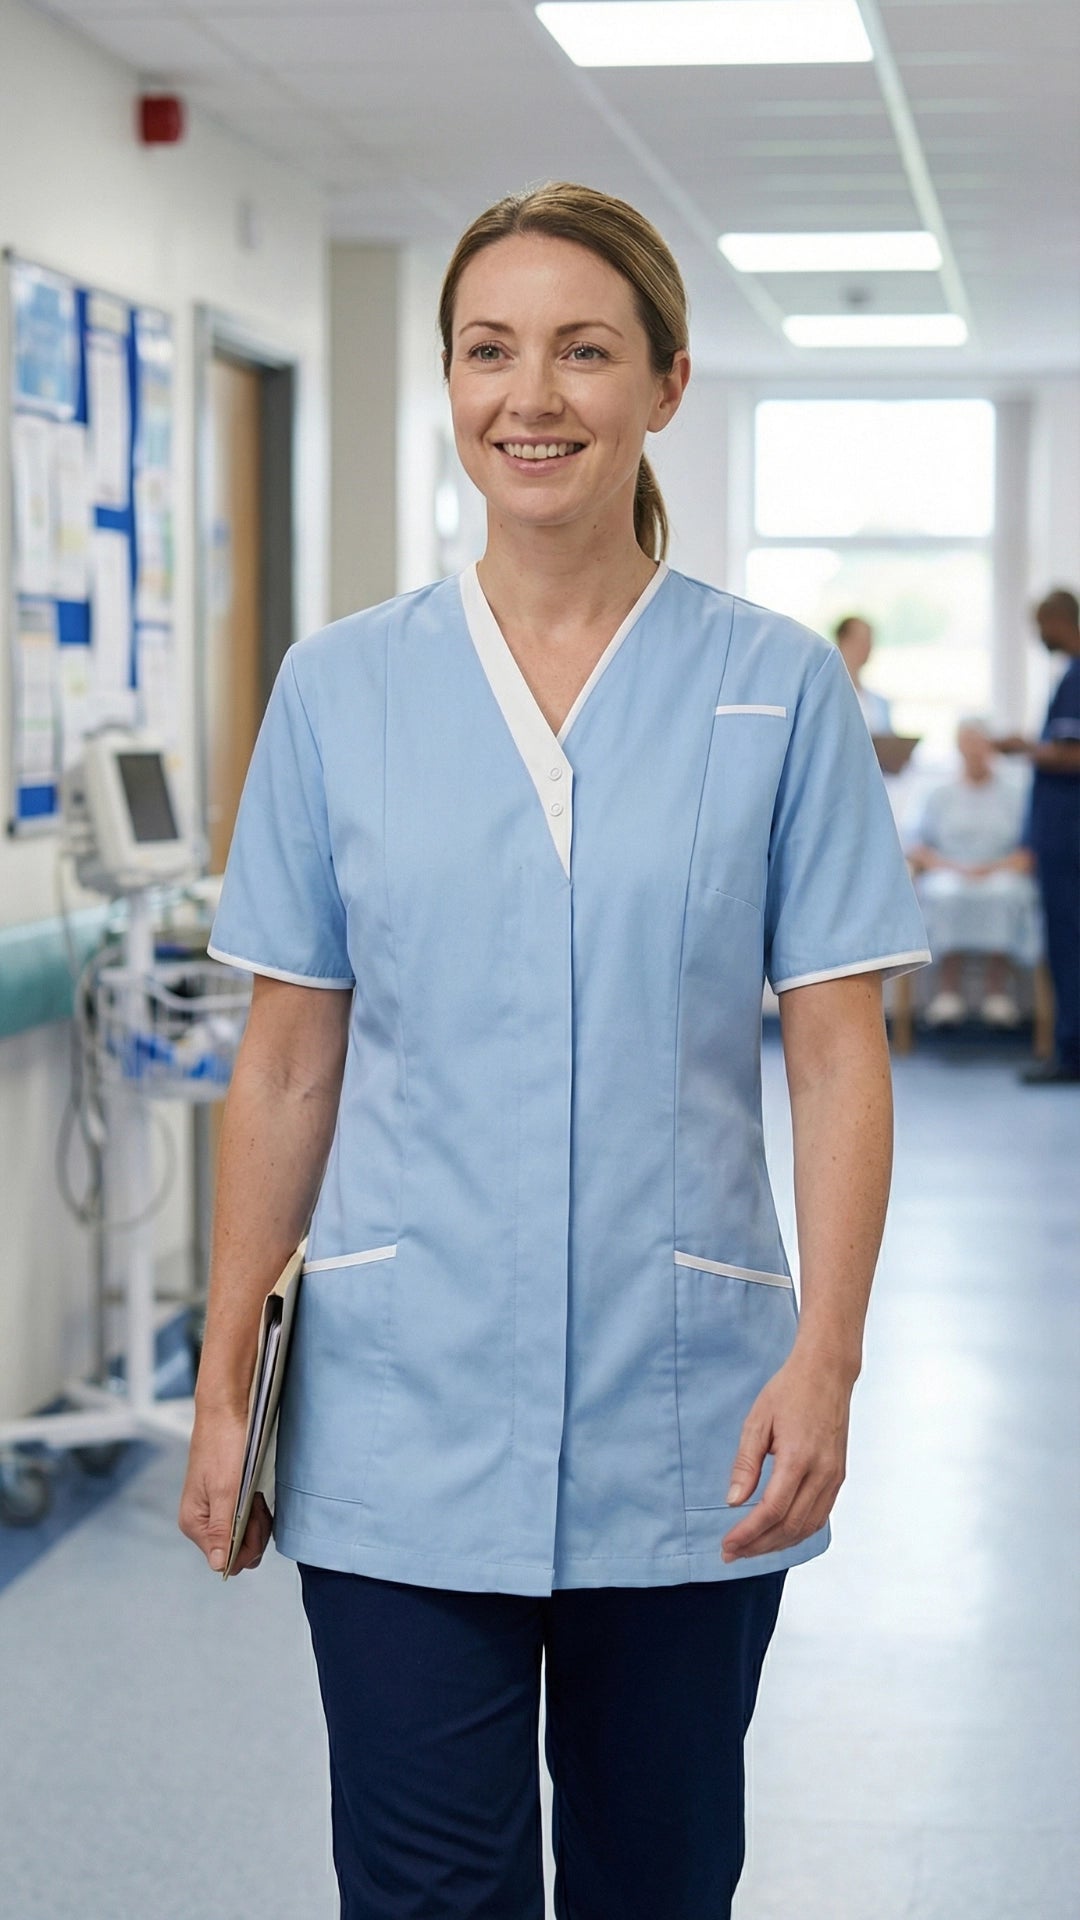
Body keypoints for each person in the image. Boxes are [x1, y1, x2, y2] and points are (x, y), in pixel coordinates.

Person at [179, 183, 930, 1920]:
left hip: (690, 1418)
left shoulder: (774, 689)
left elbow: (836, 1057)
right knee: (426, 1894)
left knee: (656, 1886)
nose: (535, 395)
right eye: (490, 350)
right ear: (449, 384)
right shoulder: (340, 691)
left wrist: (829, 1358)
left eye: (585, 351)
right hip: (394, 1417)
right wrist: (227, 1390)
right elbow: (288, 1063)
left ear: (665, 383)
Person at [996, 589, 1080, 1084]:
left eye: (1039, 625)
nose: (1038, 636)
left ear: (1057, 620)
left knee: (1068, 942)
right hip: (1063, 835)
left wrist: (1022, 747)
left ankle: (1071, 1054)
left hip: (1067, 839)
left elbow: (1071, 755)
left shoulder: (1074, 677)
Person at [907, 717, 1041, 1027]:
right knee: (944, 894)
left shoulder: (1016, 793)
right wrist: (957, 867)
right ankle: (947, 992)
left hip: (1001, 871)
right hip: (950, 870)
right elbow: (918, 846)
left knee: (1003, 894)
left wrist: (990, 868)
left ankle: (997, 991)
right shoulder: (938, 794)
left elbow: (1028, 849)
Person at [834, 613, 893, 733]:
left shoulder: (880, 703)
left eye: (869, 641)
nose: (866, 647)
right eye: (860, 640)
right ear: (842, 641)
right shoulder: (826, 696)